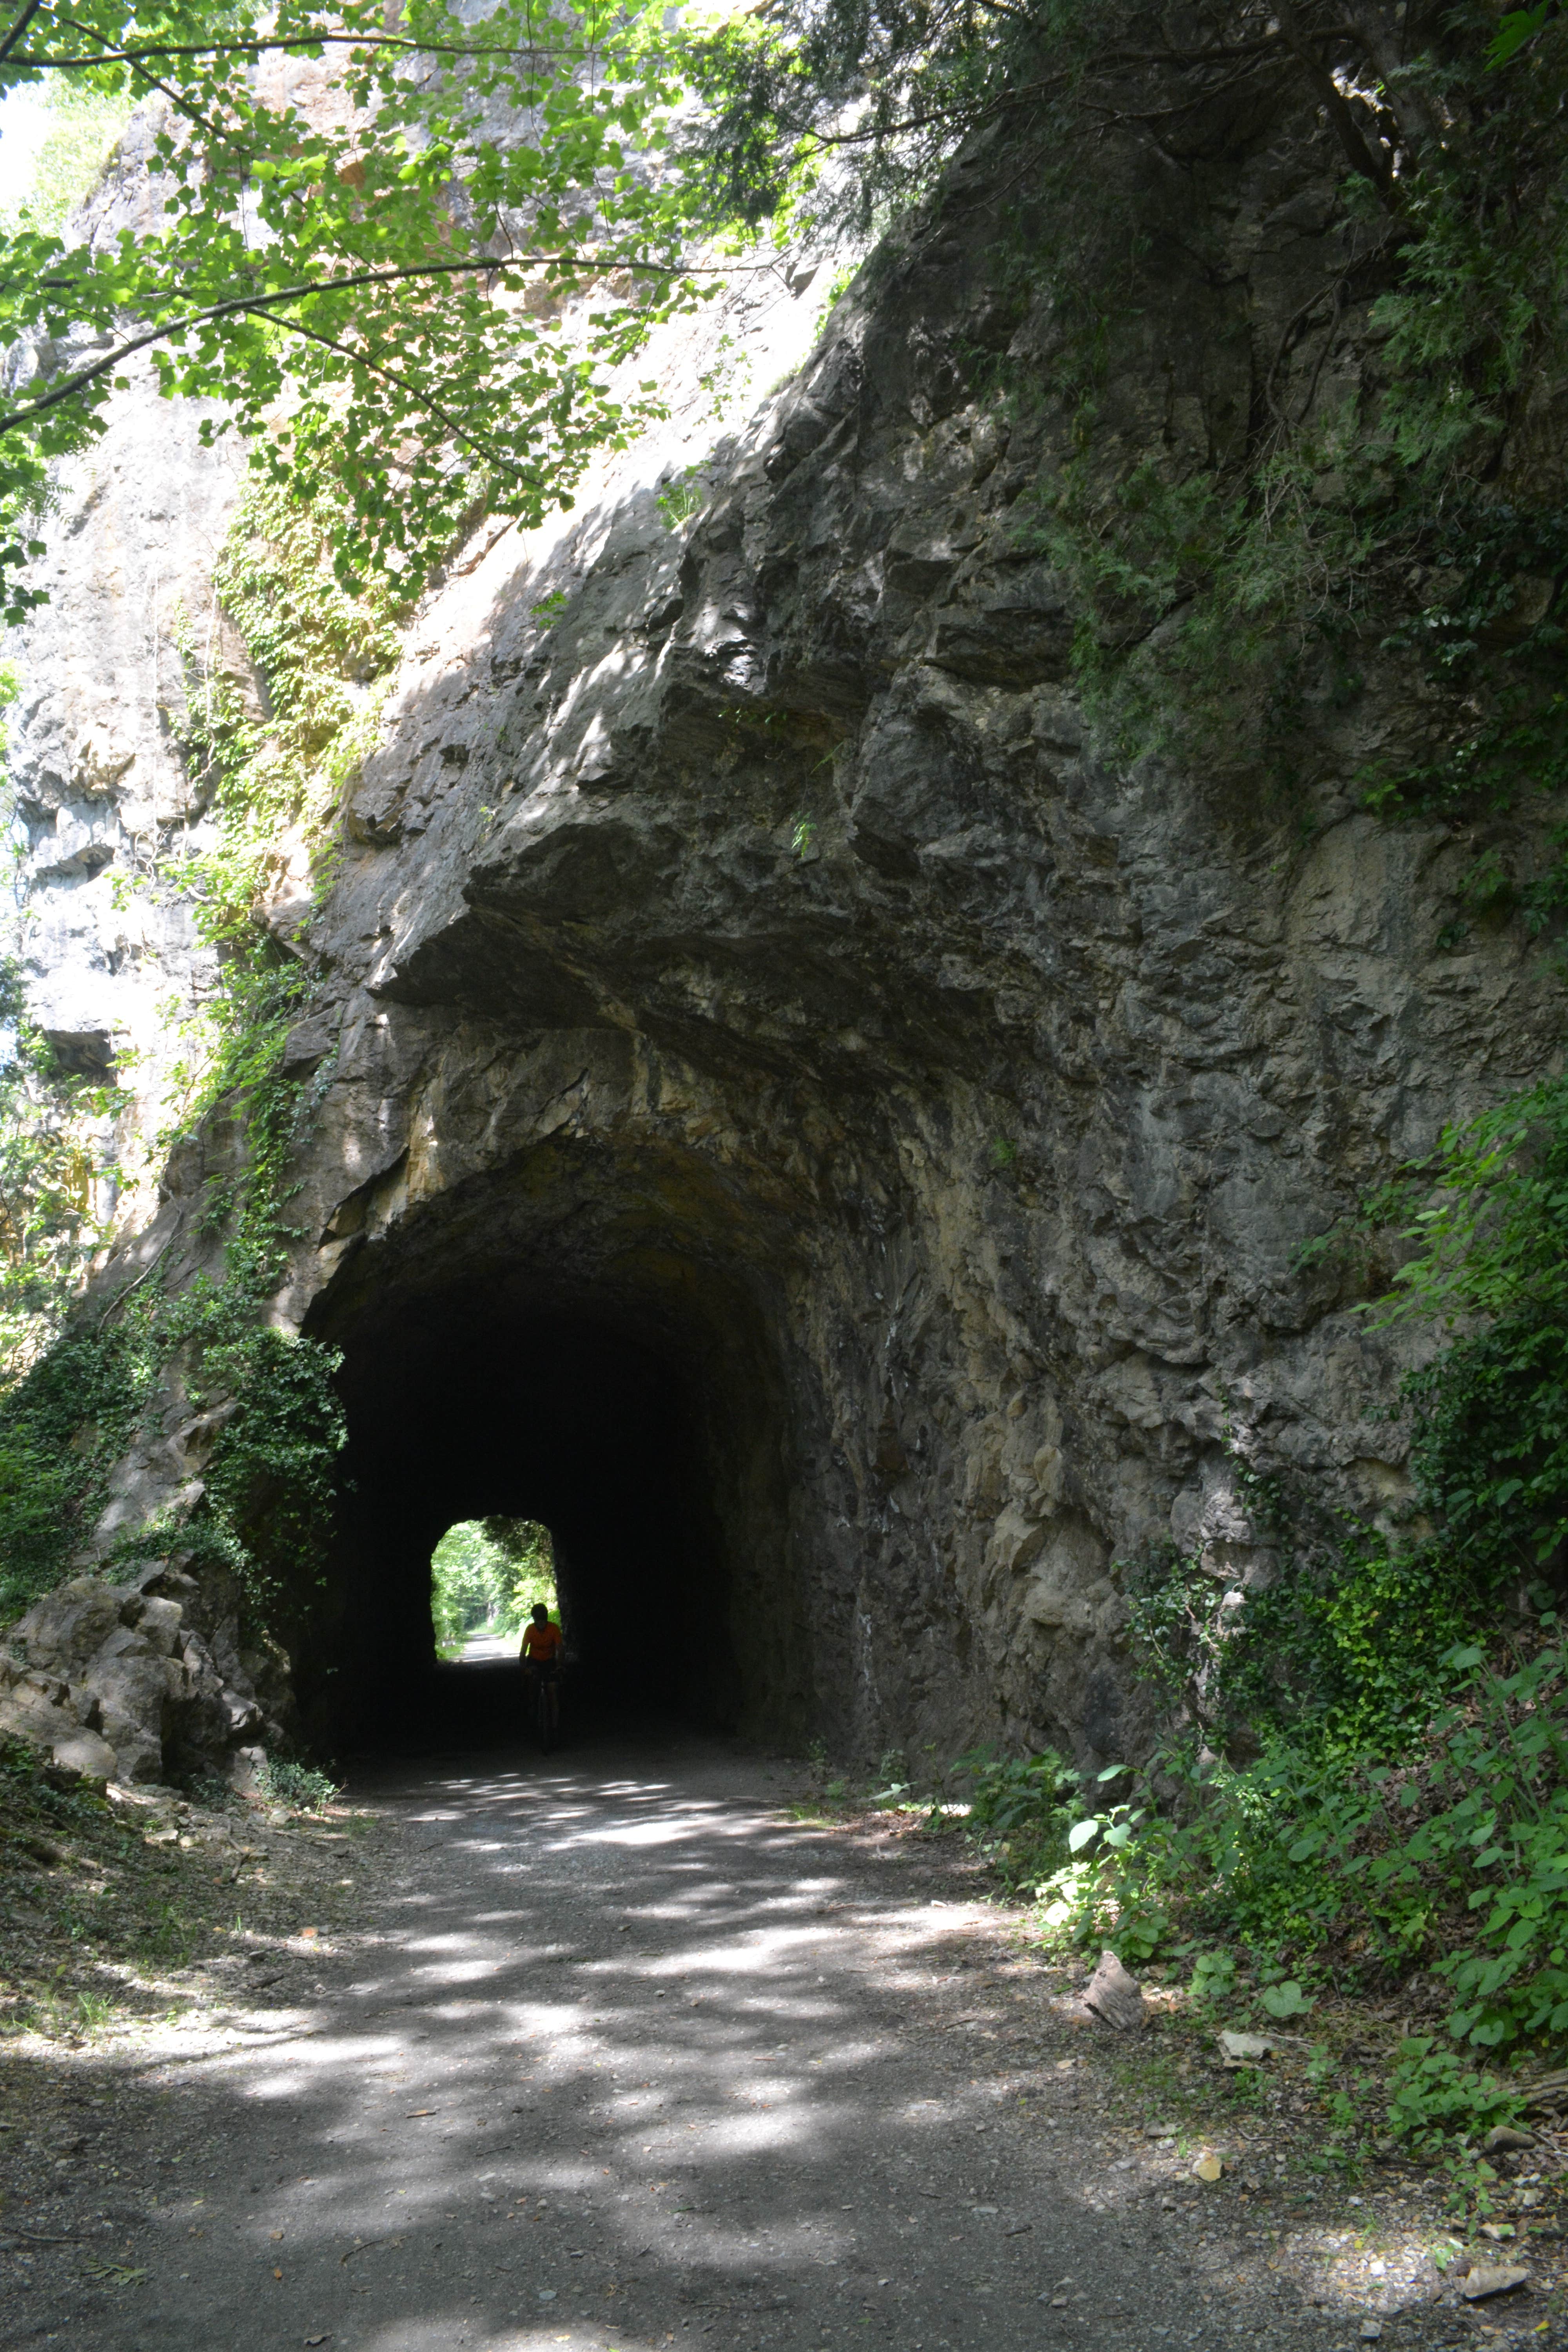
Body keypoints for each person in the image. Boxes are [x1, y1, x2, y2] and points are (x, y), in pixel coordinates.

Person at [520, 1602, 563, 1736]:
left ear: (546, 1619)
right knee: (533, 1682)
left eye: (543, 1621)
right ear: (534, 1620)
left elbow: (560, 1650)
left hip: (550, 1662)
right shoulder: (530, 1630)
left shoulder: (554, 1629)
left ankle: (555, 1728)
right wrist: (524, 1668)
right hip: (534, 1661)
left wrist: (560, 1666)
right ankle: (533, 1706)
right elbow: (523, 1652)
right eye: (538, 1621)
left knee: (553, 1691)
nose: (541, 1624)